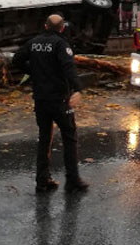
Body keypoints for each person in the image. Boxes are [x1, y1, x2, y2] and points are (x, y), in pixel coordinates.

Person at [12, 14, 89, 193]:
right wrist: (77, 89)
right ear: (62, 28)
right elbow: (68, 67)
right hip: (60, 100)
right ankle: (72, 180)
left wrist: (33, 71)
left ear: (45, 26)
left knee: (44, 138)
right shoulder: (61, 44)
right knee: (69, 138)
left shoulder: (34, 42)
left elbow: (16, 60)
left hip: (40, 100)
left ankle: (42, 180)